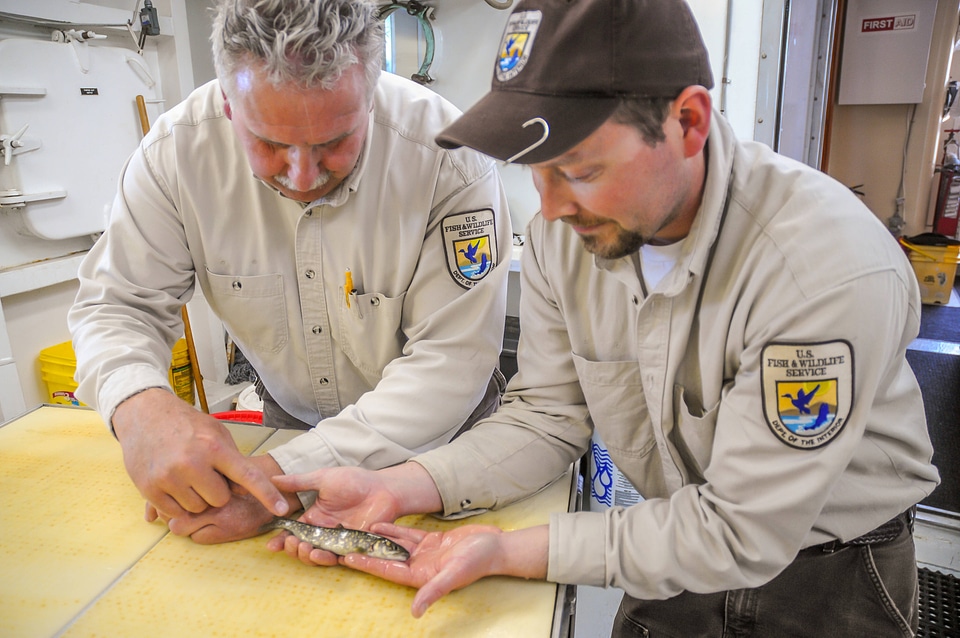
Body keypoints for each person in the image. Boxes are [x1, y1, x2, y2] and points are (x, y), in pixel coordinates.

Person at [266, 0, 941, 635]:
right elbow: (546, 416)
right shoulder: (573, 238)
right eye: (536, 170)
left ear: (689, 122)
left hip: (832, 575)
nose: (551, 208)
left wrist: (505, 549)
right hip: (670, 543)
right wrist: (391, 488)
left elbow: (741, 532)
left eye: (580, 169)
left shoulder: (820, 265)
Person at [67, 0, 511, 545]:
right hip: (290, 427)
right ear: (230, 106)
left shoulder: (448, 156)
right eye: (271, 144)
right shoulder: (175, 154)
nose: (301, 176)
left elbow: (451, 362)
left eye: (333, 143)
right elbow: (117, 304)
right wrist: (140, 408)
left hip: (444, 447)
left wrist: (279, 480)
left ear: (370, 97)